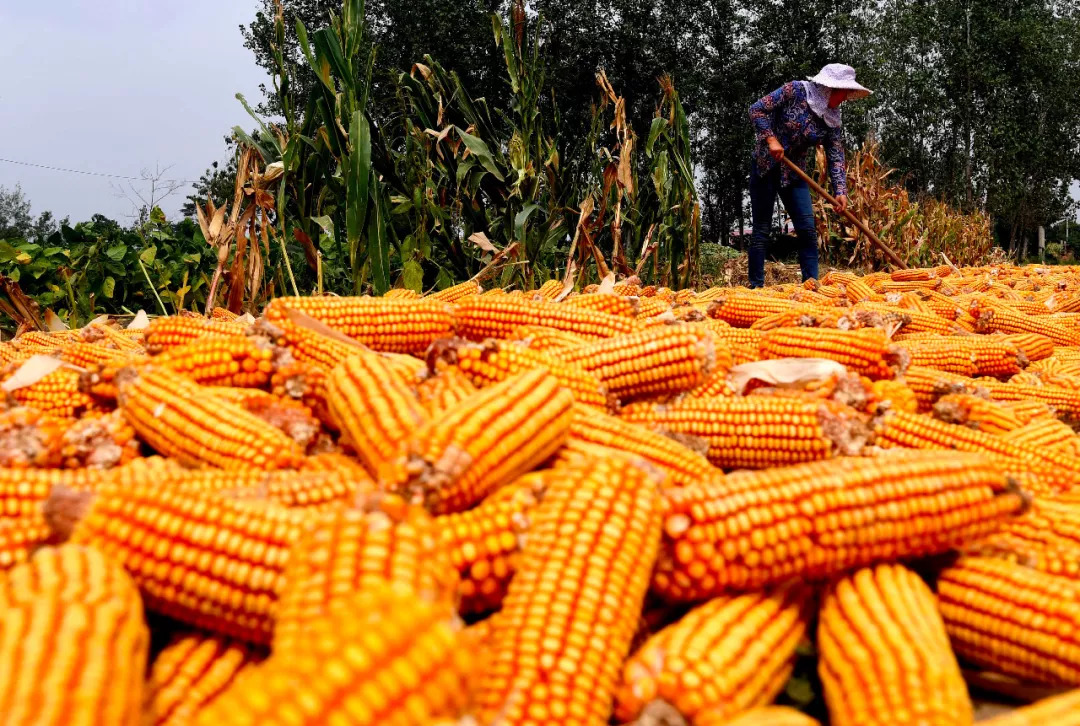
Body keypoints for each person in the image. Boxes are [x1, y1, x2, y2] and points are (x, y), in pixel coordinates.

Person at [747, 63, 872, 288]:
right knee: (761, 229)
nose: (844, 98)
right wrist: (771, 139)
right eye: (843, 92)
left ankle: (811, 287)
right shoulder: (794, 91)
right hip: (765, 166)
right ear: (830, 88)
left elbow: (835, 155)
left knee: (806, 229)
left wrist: (841, 191)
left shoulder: (832, 118)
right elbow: (756, 109)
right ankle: (756, 286)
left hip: (795, 174)